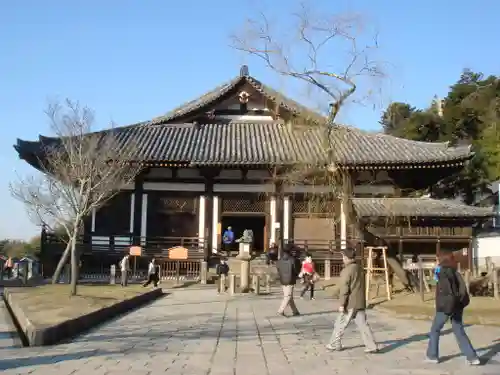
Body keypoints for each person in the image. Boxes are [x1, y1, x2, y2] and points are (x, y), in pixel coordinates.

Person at [426, 252, 480, 365]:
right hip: (457, 305)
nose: (436, 261)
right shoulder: (455, 271)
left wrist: (444, 306)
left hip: (446, 306)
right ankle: (472, 357)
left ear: (441, 259)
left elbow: (440, 288)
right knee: (459, 330)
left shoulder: (441, 271)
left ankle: (432, 355)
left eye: (437, 259)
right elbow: (461, 289)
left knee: (435, 329)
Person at [326, 248, 378, 353]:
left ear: (347, 258)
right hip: (360, 301)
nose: (343, 259)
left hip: (350, 302)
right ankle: (372, 346)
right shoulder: (359, 268)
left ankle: (334, 344)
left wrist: (342, 303)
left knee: (340, 323)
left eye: (343, 257)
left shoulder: (346, 271)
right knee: (363, 325)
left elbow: (344, 288)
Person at [276, 248, 300, 317]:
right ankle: (280, 310)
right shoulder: (292, 260)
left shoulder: (279, 261)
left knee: (289, 296)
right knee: (288, 296)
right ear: (289, 253)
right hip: (290, 280)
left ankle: (295, 311)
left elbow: (278, 269)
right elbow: (295, 270)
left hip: (283, 280)